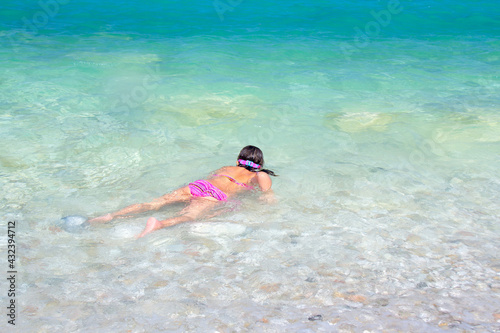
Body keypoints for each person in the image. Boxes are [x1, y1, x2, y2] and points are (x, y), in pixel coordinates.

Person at [89, 145, 276, 238]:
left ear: (238, 161)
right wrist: (268, 194)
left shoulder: (226, 167)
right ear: (258, 164)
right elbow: (263, 186)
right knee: (189, 217)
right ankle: (158, 225)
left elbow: (214, 176)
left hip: (198, 185)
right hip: (213, 195)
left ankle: (111, 216)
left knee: (155, 203)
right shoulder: (257, 174)